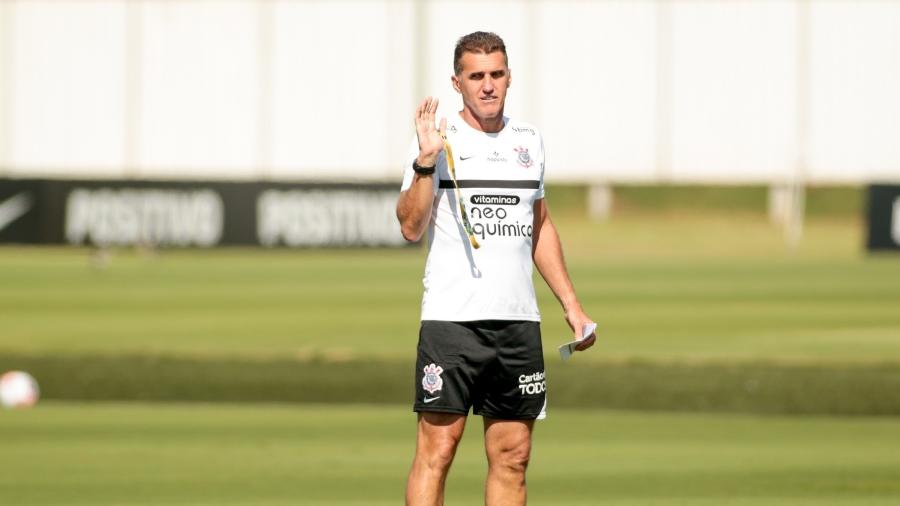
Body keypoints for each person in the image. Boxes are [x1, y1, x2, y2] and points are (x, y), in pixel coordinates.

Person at [396, 31, 596, 506]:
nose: (488, 85)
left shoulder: (529, 140)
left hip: (517, 324)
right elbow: (409, 226)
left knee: (513, 455)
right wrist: (426, 164)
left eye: (496, 74)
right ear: (457, 82)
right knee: (437, 451)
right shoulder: (438, 142)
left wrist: (572, 305)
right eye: (476, 76)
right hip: (452, 323)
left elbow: (540, 227)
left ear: (509, 78)